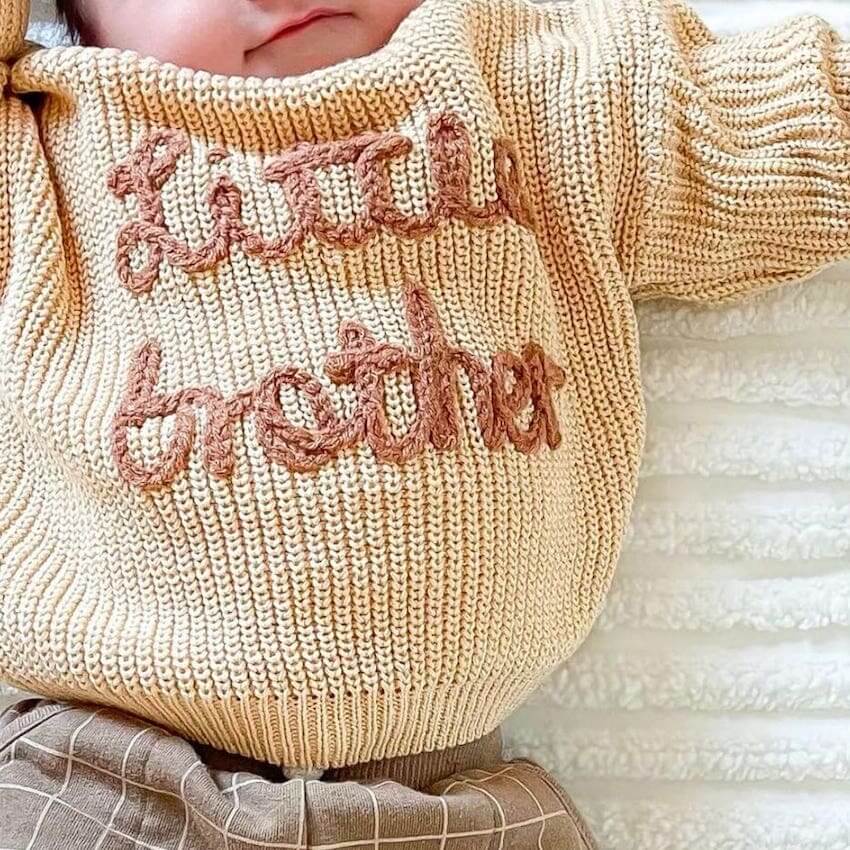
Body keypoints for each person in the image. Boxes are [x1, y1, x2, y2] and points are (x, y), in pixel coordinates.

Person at [0, 0, 848, 845]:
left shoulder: (538, 80)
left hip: (455, 798)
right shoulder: (45, 147)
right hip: (106, 772)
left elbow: (778, 127)